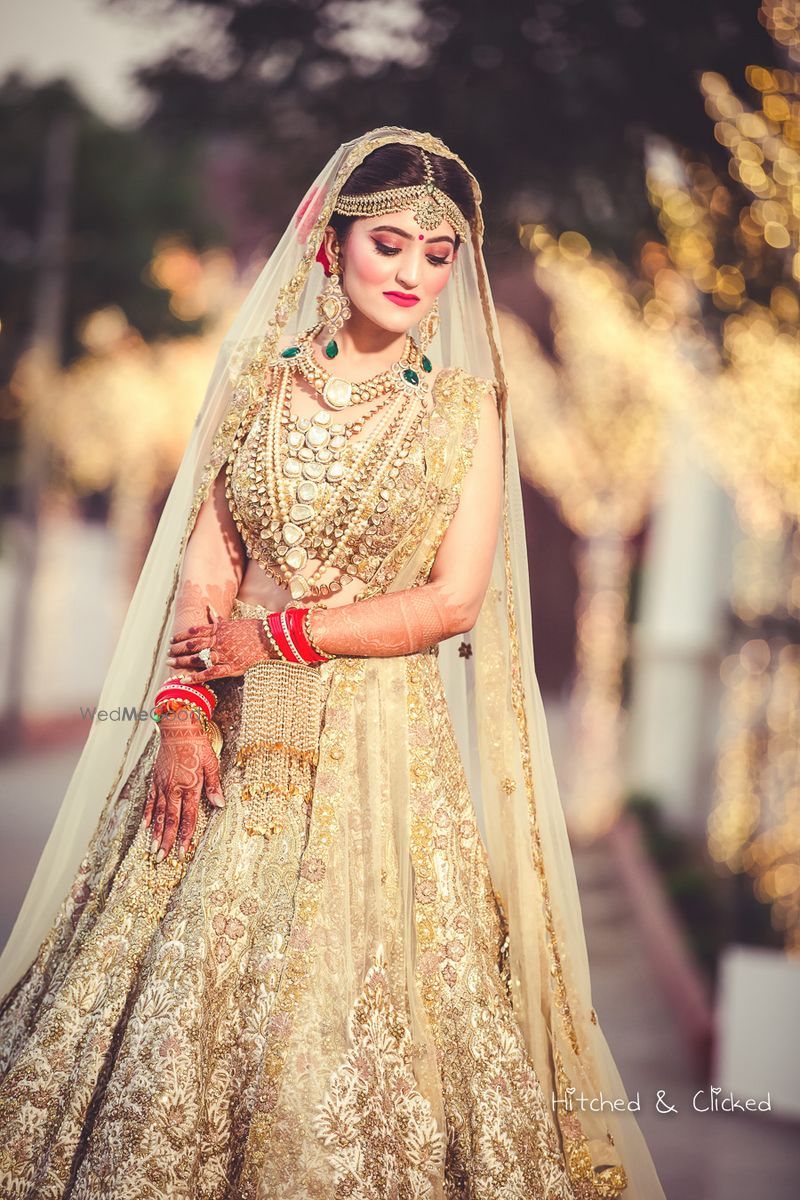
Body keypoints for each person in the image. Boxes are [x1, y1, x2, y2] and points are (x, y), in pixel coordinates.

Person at [0, 126, 666, 1199]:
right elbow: (206, 568)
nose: (412, 274)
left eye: (436, 255)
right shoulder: (255, 389)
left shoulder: (461, 411)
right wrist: (177, 718)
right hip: (221, 745)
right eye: (388, 245)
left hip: (378, 756)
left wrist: (277, 637)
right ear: (329, 245)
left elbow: (450, 600)